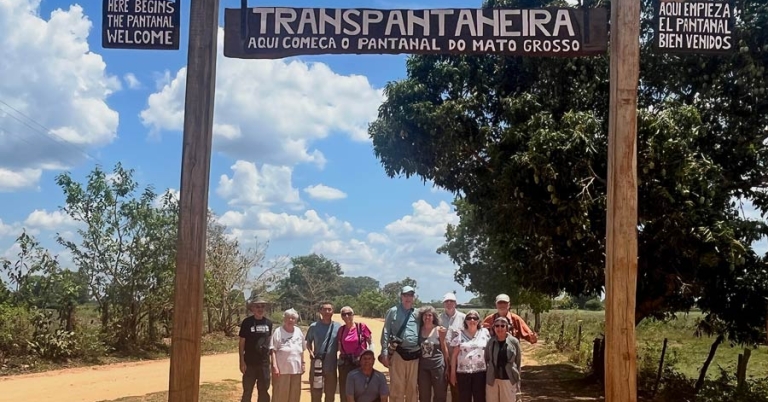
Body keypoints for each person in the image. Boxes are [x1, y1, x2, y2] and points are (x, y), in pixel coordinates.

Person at [380, 286, 420, 402]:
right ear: (401, 297)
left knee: (412, 387)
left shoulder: (417, 313)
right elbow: (386, 332)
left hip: (414, 355)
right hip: (398, 353)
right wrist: (385, 353)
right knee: (397, 386)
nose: (408, 298)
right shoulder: (393, 311)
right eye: (405, 295)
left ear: (414, 298)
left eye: (410, 295)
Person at [449, 310, 491, 402]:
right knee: (464, 398)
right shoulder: (459, 334)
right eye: (469, 318)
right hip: (463, 373)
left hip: (480, 372)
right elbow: (454, 356)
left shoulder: (485, 332)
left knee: (480, 398)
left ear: (478, 320)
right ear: (465, 321)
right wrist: (453, 374)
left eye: (475, 318)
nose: (472, 320)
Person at [238, 297, 273, 402]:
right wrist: (241, 361)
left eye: (262, 306)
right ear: (252, 308)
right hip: (249, 363)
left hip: (264, 363)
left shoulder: (269, 323)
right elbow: (241, 342)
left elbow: (270, 341)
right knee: (247, 391)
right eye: (257, 306)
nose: (260, 309)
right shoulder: (247, 322)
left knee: (263, 391)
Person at [307, 302, 342, 402]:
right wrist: (310, 352)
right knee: (315, 392)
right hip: (317, 364)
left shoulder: (338, 327)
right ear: (320, 311)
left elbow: (341, 342)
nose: (327, 312)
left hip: (331, 365)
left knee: (330, 393)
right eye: (324, 309)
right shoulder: (313, 326)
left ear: (333, 311)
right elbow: (308, 341)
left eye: (329, 309)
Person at [270, 308, 307, 402]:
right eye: (288, 318)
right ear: (284, 319)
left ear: (296, 320)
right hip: (282, 370)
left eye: (293, 318)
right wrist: (274, 366)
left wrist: (303, 363)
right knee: (280, 395)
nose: (290, 320)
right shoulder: (278, 331)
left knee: (294, 395)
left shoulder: (298, 331)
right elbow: (273, 350)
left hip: (296, 369)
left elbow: (301, 349)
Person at [337, 306, 372, 398]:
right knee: (345, 389)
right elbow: (340, 345)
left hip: (360, 363)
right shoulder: (341, 330)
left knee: (361, 389)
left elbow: (370, 342)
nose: (347, 316)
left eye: (349, 313)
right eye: (344, 314)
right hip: (345, 363)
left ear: (353, 315)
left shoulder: (361, 327)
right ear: (341, 317)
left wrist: (370, 358)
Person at [484, 316, 522, 402]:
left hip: (508, 379)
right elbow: (486, 358)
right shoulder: (490, 341)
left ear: (507, 327)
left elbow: (518, 362)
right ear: (494, 328)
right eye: (497, 326)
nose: (499, 328)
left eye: (502, 325)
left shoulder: (514, 342)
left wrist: (518, 381)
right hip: (493, 379)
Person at [417, 306, 448, 402]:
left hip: (438, 366)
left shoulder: (439, 330)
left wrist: (447, 366)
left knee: (440, 395)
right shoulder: (418, 330)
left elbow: (444, 347)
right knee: (424, 395)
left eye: (430, 315)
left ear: (434, 317)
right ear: (422, 317)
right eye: (425, 315)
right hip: (423, 368)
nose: (427, 317)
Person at [438, 292, 465, 402]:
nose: (449, 303)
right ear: (444, 303)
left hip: (458, 360)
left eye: (451, 301)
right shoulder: (438, 318)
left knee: (457, 391)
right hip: (442, 359)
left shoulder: (463, 317)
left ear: (455, 303)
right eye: (446, 301)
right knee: (441, 389)